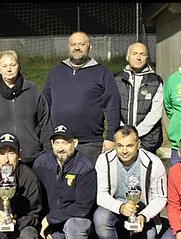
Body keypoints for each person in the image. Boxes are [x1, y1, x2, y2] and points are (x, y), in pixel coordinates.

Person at [93, 125, 167, 239]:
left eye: (129, 145)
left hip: (143, 214)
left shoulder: (154, 163)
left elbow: (160, 198)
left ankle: (139, 236)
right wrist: (120, 207)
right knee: (100, 217)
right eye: (120, 146)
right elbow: (100, 195)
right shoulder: (104, 160)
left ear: (138, 144)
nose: (124, 150)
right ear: (114, 145)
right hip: (116, 209)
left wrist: (144, 216)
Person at [42, 31, 121, 166]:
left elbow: (112, 107)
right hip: (60, 143)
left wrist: (110, 137)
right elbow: (44, 108)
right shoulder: (55, 73)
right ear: (69, 47)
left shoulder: (102, 73)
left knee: (88, 184)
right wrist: (48, 138)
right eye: (73, 44)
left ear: (89, 47)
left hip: (90, 144)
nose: (77, 47)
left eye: (81, 44)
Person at [33, 124, 96, 239]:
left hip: (77, 220)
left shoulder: (85, 168)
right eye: (57, 143)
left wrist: (50, 218)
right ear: (51, 144)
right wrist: (41, 222)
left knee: (74, 227)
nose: (61, 148)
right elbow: (36, 197)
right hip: (53, 225)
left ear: (74, 143)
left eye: (65, 142)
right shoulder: (41, 163)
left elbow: (83, 207)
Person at [0, 50, 53, 169]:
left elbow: (45, 124)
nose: (9, 69)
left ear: (19, 66)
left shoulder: (33, 90)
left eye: (13, 65)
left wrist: (48, 153)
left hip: (32, 158)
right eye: (4, 66)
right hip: (2, 159)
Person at [114, 42, 164, 154]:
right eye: (134, 54)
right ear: (127, 57)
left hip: (148, 139)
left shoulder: (155, 81)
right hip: (122, 137)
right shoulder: (116, 80)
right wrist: (124, 131)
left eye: (142, 54)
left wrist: (137, 133)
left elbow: (156, 112)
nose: (138, 57)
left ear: (147, 57)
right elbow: (113, 108)